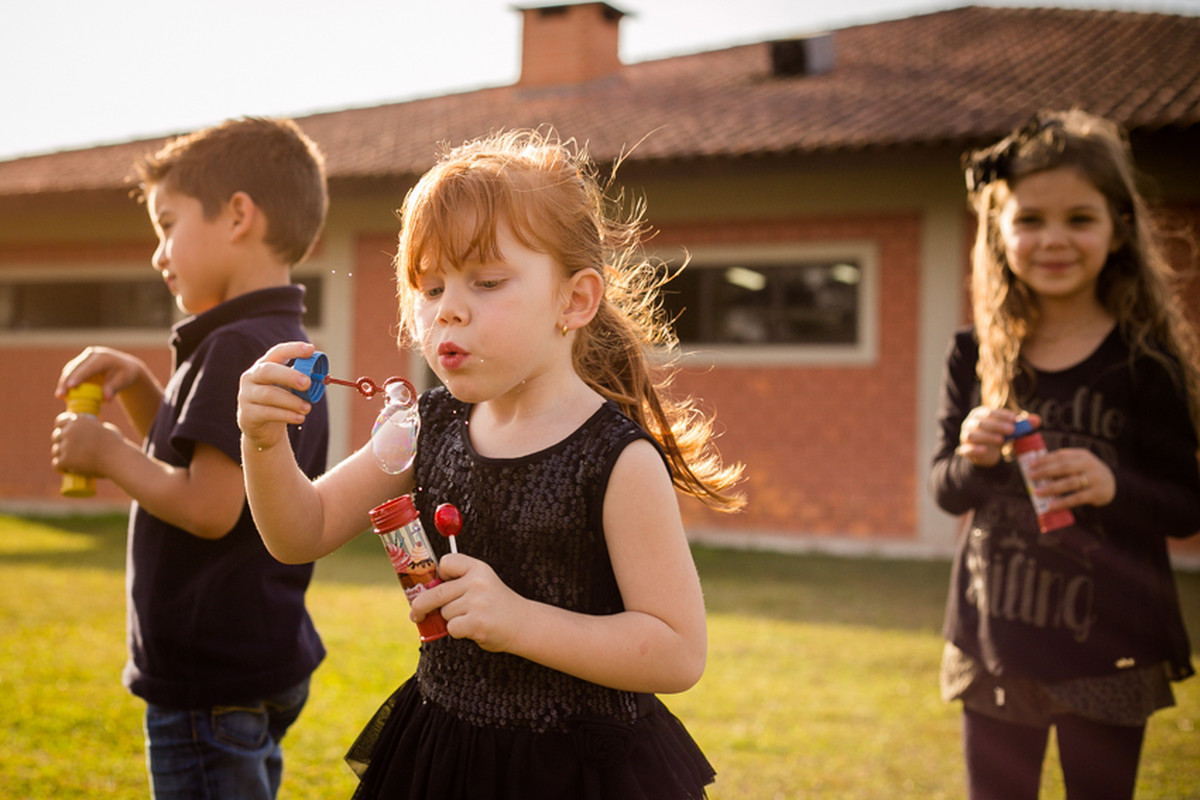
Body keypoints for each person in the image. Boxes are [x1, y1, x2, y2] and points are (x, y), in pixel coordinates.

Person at [236, 128, 744, 800]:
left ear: (575, 300)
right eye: (429, 285)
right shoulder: (424, 426)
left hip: (580, 772)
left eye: (487, 281)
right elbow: (300, 531)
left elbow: (679, 651)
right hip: (444, 755)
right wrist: (263, 442)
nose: (447, 308)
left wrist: (520, 622)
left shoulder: (614, 460)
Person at [50, 117, 330, 800]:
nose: (157, 253)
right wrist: (146, 391)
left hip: (208, 679)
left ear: (238, 215)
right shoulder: (273, 337)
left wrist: (108, 454)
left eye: (167, 224)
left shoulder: (235, 347)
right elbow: (211, 469)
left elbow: (209, 507)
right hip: (255, 659)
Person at [930, 108, 1200, 800]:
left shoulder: (1146, 364)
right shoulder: (974, 353)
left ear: (1117, 230)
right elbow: (946, 488)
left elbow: (1187, 504)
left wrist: (1113, 484)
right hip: (996, 642)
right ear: (1001, 230)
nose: (1054, 239)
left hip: (1110, 650)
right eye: (1030, 220)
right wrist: (971, 455)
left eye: (1079, 218)